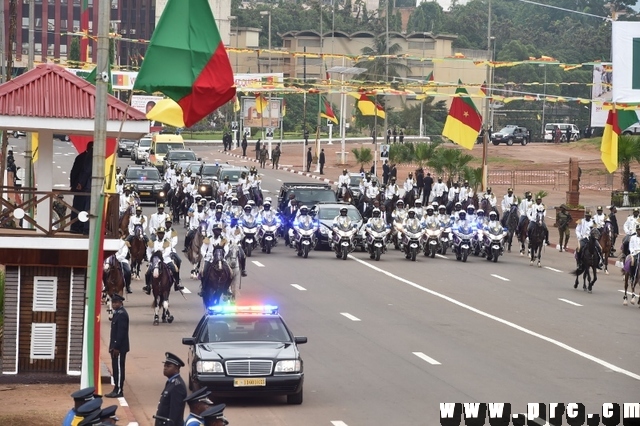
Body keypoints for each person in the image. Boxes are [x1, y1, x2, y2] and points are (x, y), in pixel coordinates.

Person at [105, 293, 129, 398]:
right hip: (115, 347)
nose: (113, 304)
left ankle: (119, 390)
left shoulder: (122, 314)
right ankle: (116, 388)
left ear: (120, 303)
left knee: (119, 369)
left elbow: (121, 333)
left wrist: (116, 347)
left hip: (119, 348)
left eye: (115, 303)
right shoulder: (117, 313)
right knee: (115, 368)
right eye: (112, 302)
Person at [154, 352, 187, 426]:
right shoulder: (171, 382)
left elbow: (174, 413)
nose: (165, 368)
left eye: (168, 366)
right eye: (165, 365)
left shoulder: (178, 386)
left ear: (177, 368)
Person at [70, 142, 93, 234]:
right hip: (85, 188)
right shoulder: (90, 157)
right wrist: (80, 183)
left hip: (79, 187)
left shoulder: (80, 157)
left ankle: (75, 227)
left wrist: (73, 185)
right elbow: (86, 171)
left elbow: (73, 172)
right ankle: (84, 229)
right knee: (85, 209)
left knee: (78, 208)